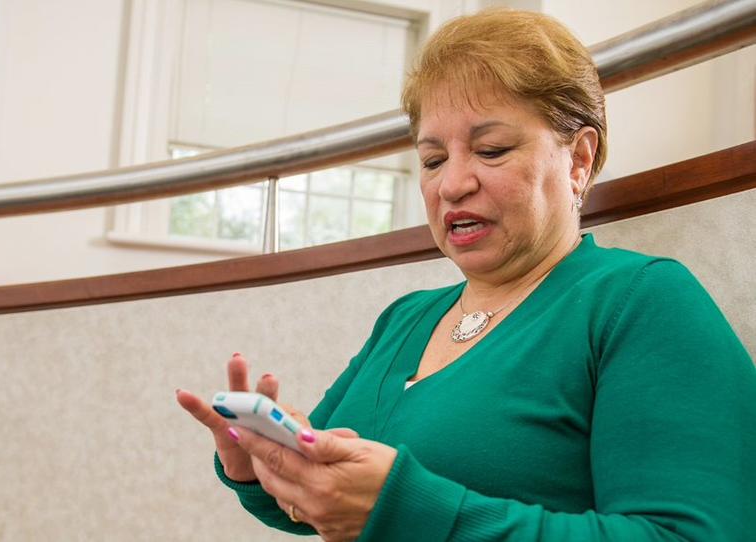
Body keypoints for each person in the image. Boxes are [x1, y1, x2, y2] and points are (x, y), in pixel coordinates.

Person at [177, 8, 756, 541]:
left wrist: (406, 506)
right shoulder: (405, 319)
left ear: (578, 159)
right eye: (432, 160)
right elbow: (335, 493)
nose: (452, 184)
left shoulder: (640, 301)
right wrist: (264, 468)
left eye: (493, 149)